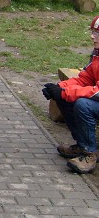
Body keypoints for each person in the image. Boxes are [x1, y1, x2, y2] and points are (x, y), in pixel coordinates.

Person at [42, 16, 99, 174]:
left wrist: (66, 92)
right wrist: (59, 87)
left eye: (97, 33)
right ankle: (82, 145)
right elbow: (85, 79)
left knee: (82, 104)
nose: (92, 36)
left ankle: (89, 153)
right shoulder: (97, 53)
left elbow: (97, 91)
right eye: (93, 32)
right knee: (63, 96)